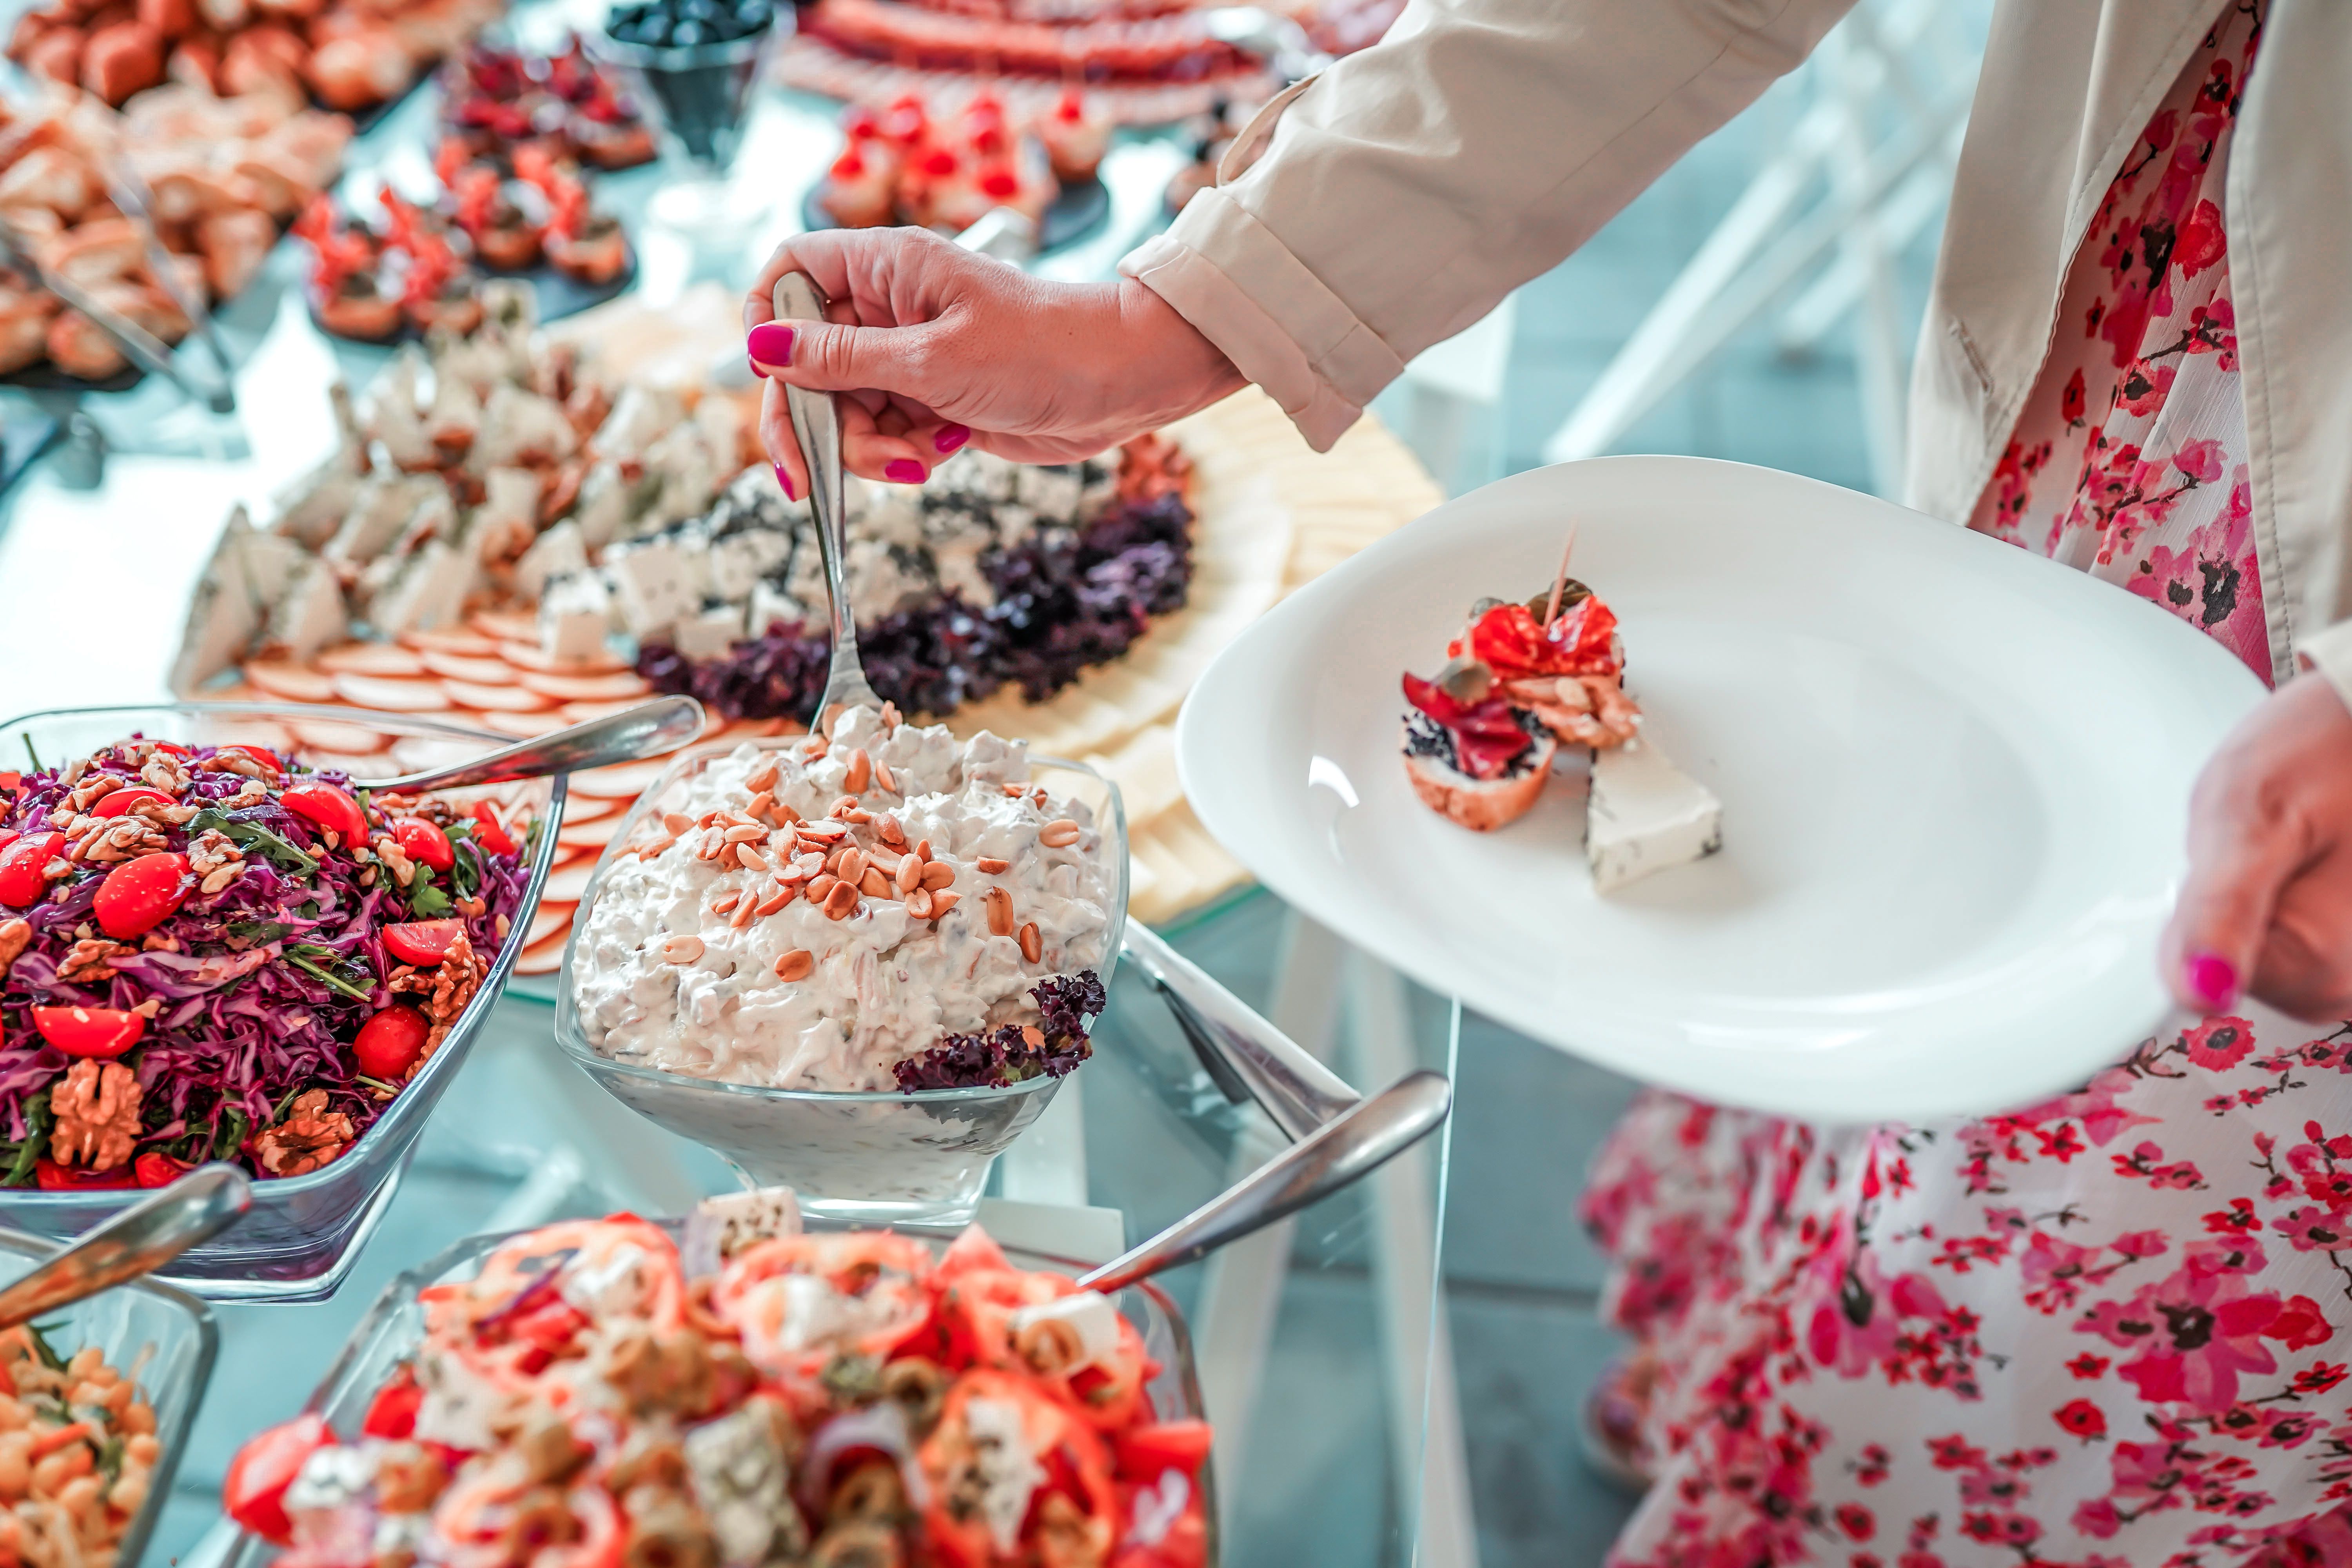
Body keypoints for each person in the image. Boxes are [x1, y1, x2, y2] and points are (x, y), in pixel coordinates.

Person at [743, 1, 2352, 1560]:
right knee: (1893, 1035)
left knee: (2060, 1312)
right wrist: (1162, 321)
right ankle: (1762, 1400)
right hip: (2121, 338)